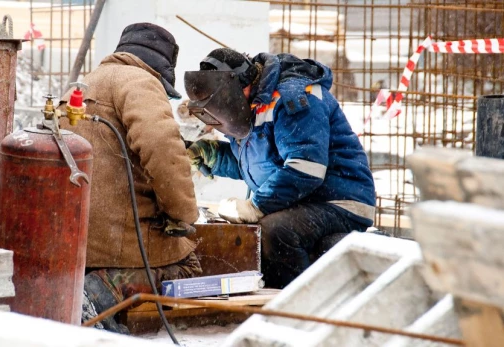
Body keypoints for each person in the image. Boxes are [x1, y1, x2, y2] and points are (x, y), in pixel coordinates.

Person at [184, 48, 376, 289]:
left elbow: (305, 168)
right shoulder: (249, 108)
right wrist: (210, 154)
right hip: (301, 200)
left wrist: (257, 206)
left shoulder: (293, 96)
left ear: (238, 87)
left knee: (276, 231)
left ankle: (298, 307)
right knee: (250, 234)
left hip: (339, 201)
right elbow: (259, 166)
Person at [59, 23, 201, 332]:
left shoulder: (82, 85)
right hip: (119, 238)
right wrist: (184, 215)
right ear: (161, 69)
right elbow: (162, 149)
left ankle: (88, 288)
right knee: (188, 265)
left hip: (76, 238)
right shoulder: (141, 81)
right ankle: (97, 293)